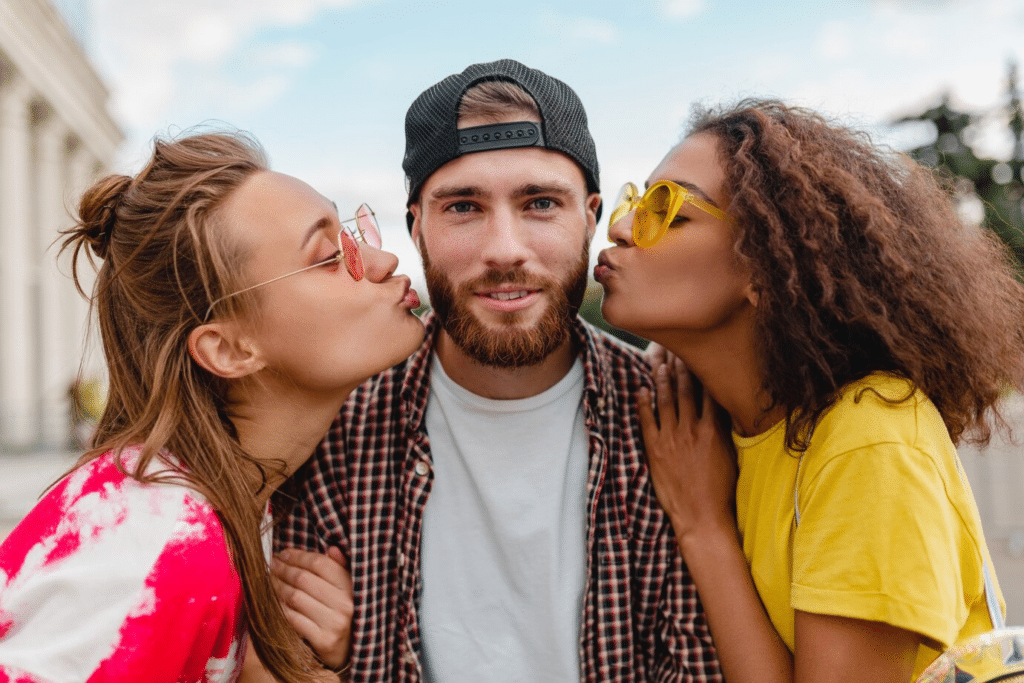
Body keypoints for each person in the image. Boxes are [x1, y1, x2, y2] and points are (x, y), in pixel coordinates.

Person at [274, 59, 723, 682]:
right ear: (417, 228)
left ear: (591, 218)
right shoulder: (332, 432)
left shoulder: (675, 420)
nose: (505, 249)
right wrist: (311, 662)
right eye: (463, 207)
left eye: (540, 203)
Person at [594, 98, 1024, 683]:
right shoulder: (721, 421)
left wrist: (703, 527)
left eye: (668, 208)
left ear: (765, 264)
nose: (619, 227)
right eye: (635, 202)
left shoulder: (868, 438)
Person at [0, 130, 425, 682]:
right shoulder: (161, 544)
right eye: (328, 256)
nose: (382, 257)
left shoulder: (221, 509)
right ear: (228, 349)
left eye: (353, 231)